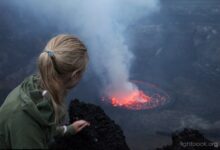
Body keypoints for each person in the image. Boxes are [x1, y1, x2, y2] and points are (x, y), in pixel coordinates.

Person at [0, 34, 90, 149]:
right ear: (75, 75)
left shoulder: (36, 88)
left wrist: (67, 130)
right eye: (82, 72)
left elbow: (42, 126)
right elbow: (32, 130)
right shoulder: (26, 122)